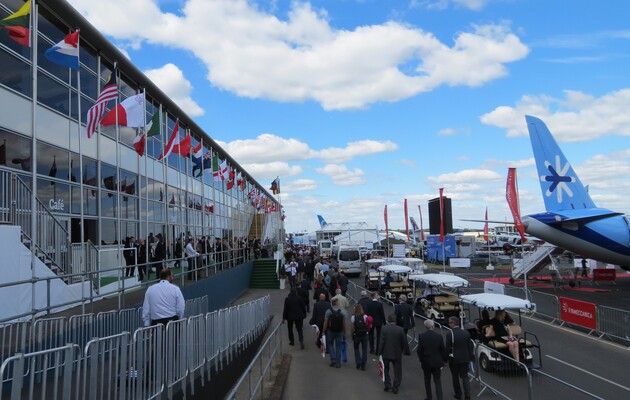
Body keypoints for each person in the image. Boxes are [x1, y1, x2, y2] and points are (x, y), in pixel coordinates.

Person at [417, 319, 447, 400]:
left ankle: (429, 397)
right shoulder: (439, 337)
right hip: (437, 362)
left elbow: (419, 350)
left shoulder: (421, 336)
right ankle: (440, 397)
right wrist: (445, 360)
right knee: (437, 380)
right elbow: (443, 350)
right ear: (433, 326)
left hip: (426, 362)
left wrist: (421, 360)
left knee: (427, 380)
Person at [378, 314, 408, 394]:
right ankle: (396, 386)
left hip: (386, 352)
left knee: (385, 369)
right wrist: (402, 350)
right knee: (397, 371)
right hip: (397, 353)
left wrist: (379, 352)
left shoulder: (384, 328)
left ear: (388, 320)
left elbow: (382, 342)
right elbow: (403, 342)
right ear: (395, 320)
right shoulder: (400, 330)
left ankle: (387, 385)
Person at [446, 317, 474, 400]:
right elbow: (470, 346)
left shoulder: (450, 334)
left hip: (454, 359)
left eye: (450, 322)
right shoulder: (466, 333)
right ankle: (467, 393)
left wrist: (445, 359)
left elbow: (447, 348)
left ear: (453, 323)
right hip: (465, 358)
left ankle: (458, 394)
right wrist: (470, 358)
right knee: (465, 376)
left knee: (455, 377)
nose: (448, 324)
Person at [323, 298, 346, 368]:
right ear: (337, 303)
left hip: (331, 331)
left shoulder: (328, 311)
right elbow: (344, 323)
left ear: (331, 304)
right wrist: (344, 332)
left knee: (330, 344)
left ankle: (333, 358)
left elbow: (326, 321)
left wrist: (324, 330)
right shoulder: (342, 311)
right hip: (339, 331)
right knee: (338, 346)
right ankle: (338, 363)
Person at [351, 303, 369, 370]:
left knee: (356, 349)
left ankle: (358, 362)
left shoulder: (353, 317)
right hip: (364, 334)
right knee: (364, 350)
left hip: (357, 335)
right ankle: (363, 365)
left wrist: (352, 334)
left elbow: (352, 328)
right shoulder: (365, 317)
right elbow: (368, 325)